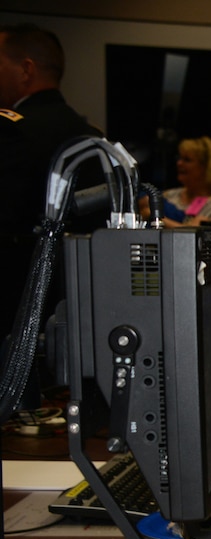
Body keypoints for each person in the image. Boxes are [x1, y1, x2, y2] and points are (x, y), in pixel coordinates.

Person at [0, 22, 97, 337]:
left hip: (20, 306)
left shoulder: (14, 130)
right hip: (82, 304)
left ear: (26, 70)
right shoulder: (92, 136)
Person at [156, 136, 211, 227]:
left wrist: (156, 219)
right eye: (179, 158)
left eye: (187, 160)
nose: (179, 163)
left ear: (206, 166)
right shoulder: (167, 195)